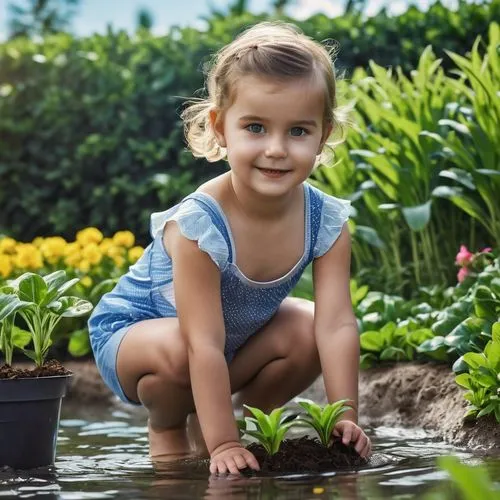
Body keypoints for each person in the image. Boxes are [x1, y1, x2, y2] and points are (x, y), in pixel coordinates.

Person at [88, 20, 371, 475]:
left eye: (298, 131)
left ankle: (230, 419)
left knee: (311, 327)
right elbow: (202, 341)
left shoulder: (327, 222)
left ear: (323, 134)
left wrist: (346, 416)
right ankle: (170, 428)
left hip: (225, 346)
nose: (276, 149)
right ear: (220, 128)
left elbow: (337, 324)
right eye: (255, 127)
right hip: (141, 335)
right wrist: (221, 447)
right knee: (184, 353)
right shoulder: (200, 225)